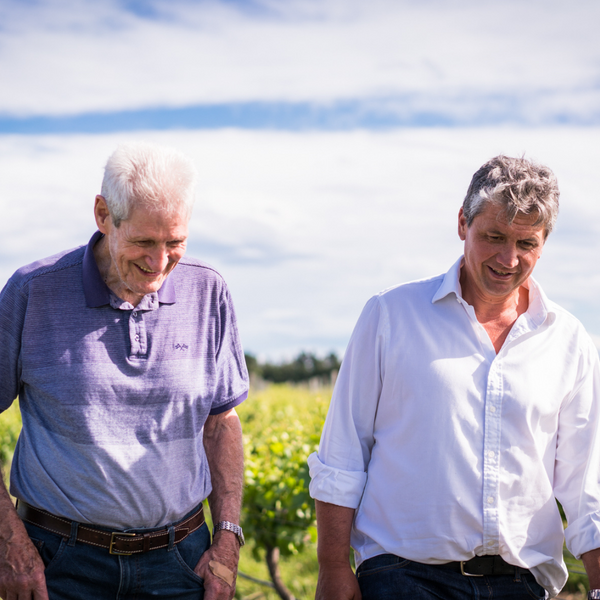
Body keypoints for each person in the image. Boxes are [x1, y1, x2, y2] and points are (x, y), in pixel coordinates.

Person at [308, 155, 600, 600]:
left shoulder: (569, 340)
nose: (509, 258)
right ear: (463, 223)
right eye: (494, 237)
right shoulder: (390, 316)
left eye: (526, 243)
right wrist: (332, 567)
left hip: (522, 584)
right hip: (402, 578)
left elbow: (585, 484)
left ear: (544, 243)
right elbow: (344, 453)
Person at [0, 142, 249, 600]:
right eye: (143, 242)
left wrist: (228, 538)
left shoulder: (208, 290)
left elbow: (221, 423)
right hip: (58, 563)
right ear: (102, 214)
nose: (159, 264)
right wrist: (8, 542)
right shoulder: (32, 293)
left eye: (174, 243)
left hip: (180, 562)